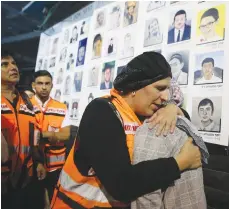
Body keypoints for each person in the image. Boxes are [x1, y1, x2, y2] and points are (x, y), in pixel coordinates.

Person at [51, 52, 202, 209]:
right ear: (135, 86)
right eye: (160, 88)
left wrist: (174, 109)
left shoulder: (144, 114)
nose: (165, 97)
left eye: (168, 90)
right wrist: (180, 163)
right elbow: (121, 184)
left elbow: (183, 125)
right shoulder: (102, 112)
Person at [1, 52, 46, 209]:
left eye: (14, 63)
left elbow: (34, 133)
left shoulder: (27, 101)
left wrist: (39, 161)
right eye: (4, 64)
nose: (13, 67)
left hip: (26, 176)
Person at [31, 70, 71, 206]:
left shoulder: (61, 107)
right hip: (31, 165)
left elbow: (66, 135)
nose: (44, 87)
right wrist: (55, 136)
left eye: (47, 83)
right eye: (40, 83)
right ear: (33, 86)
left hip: (56, 167)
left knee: (55, 201)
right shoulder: (25, 106)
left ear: (52, 85)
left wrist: (44, 135)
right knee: (34, 202)